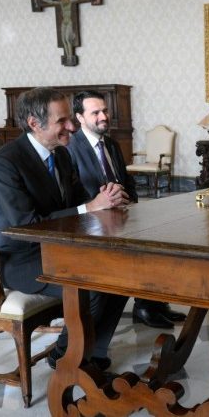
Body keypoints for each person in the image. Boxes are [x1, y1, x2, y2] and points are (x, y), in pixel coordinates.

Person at [0, 87, 130, 371]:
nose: (72, 126)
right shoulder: (6, 162)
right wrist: (89, 208)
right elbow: (25, 225)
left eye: (70, 118)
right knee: (93, 286)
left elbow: (82, 201)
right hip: (14, 257)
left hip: (53, 249)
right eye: (62, 121)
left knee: (123, 276)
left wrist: (108, 197)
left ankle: (92, 352)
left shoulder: (63, 155)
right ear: (34, 123)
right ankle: (66, 357)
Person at [68, 90, 187, 329]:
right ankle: (144, 306)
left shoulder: (111, 144)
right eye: (96, 113)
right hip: (92, 219)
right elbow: (72, 195)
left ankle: (153, 303)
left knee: (159, 234)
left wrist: (133, 206)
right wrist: (102, 204)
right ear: (80, 118)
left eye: (105, 110)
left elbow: (127, 181)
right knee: (138, 246)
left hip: (122, 213)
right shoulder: (70, 148)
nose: (103, 116)